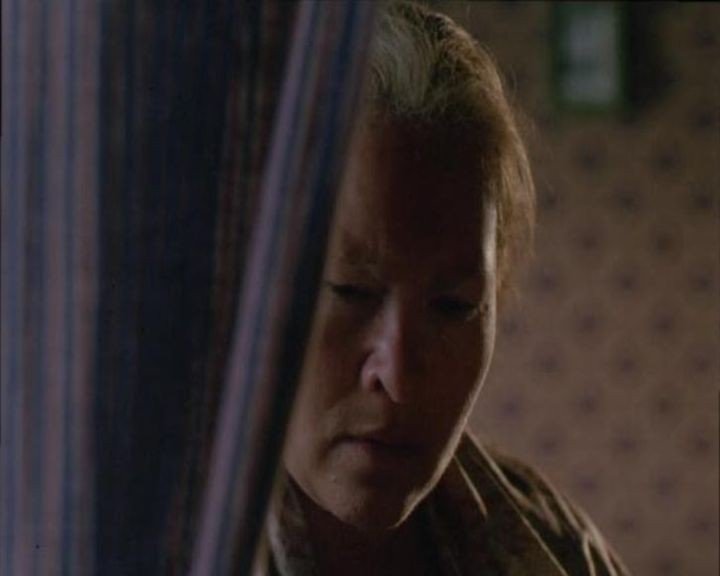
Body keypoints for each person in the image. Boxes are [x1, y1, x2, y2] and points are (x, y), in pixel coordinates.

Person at [257, 3, 631, 575]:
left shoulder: (557, 548)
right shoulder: (152, 540)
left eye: (454, 306)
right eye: (350, 291)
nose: (399, 376)